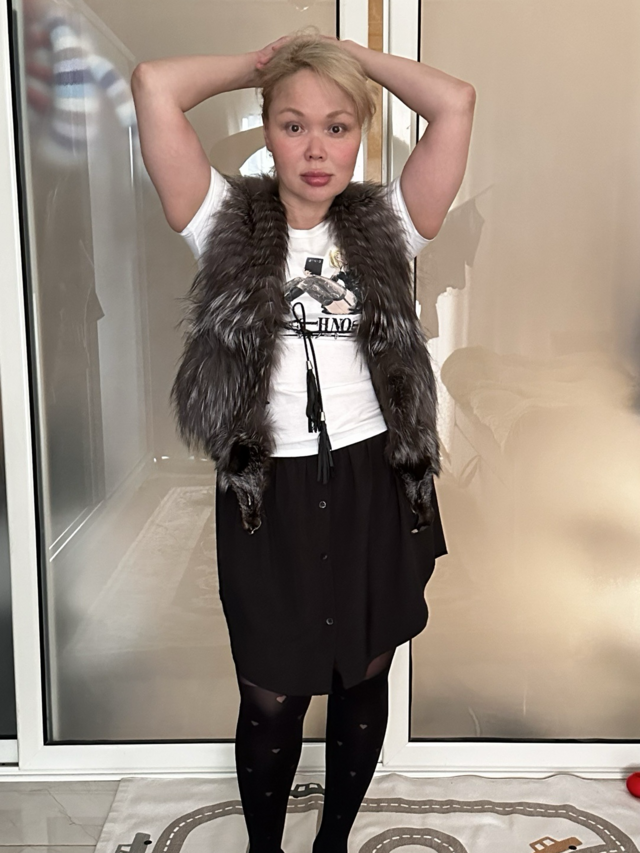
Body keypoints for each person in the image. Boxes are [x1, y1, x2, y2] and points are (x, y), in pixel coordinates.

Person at [132, 29, 475, 853]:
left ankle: (332, 844)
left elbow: (455, 102)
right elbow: (152, 83)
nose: (317, 148)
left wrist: (344, 56)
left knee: (363, 676)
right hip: (269, 486)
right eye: (293, 125)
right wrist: (266, 64)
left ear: (359, 133)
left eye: (337, 125)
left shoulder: (390, 225)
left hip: (374, 476)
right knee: (271, 694)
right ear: (268, 129)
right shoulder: (221, 221)